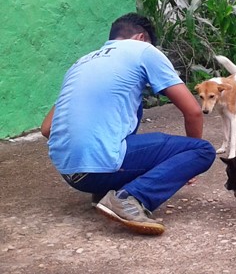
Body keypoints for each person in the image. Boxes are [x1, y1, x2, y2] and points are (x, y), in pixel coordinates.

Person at [41, 13, 216, 236]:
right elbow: (193, 111)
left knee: (127, 104)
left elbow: (47, 128)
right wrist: (186, 162)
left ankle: (106, 190)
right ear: (141, 38)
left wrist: (83, 153)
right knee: (201, 151)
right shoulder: (143, 50)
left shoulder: (82, 63)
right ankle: (129, 197)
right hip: (99, 168)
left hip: (71, 174)